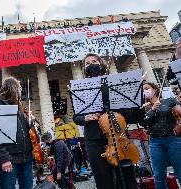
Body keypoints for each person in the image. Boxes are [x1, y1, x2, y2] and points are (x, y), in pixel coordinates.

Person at [73, 53, 138, 189]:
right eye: (87, 63)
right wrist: (85, 117)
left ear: (101, 63)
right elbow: (76, 117)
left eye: (94, 61)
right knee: (103, 181)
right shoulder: (81, 88)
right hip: (94, 140)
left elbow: (127, 111)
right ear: (84, 68)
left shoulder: (114, 82)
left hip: (118, 137)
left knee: (127, 179)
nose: (91, 64)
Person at [0, 77, 34, 189]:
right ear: (13, 89)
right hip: (9, 159)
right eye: (19, 88)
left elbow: (23, 132)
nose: (20, 91)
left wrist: (31, 122)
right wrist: (4, 158)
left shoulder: (19, 106)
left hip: (26, 157)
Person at [143, 82, 181, 189]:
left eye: (147, 88)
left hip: (173, 139)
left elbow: (179, 113)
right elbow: (144, 123)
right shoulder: (144, 108)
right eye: (143, 90)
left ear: (154, 89)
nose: (145, 91)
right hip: (155, 142)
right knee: (159, 176)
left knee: (180, 171)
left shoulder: (169, 100)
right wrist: (153, 109)